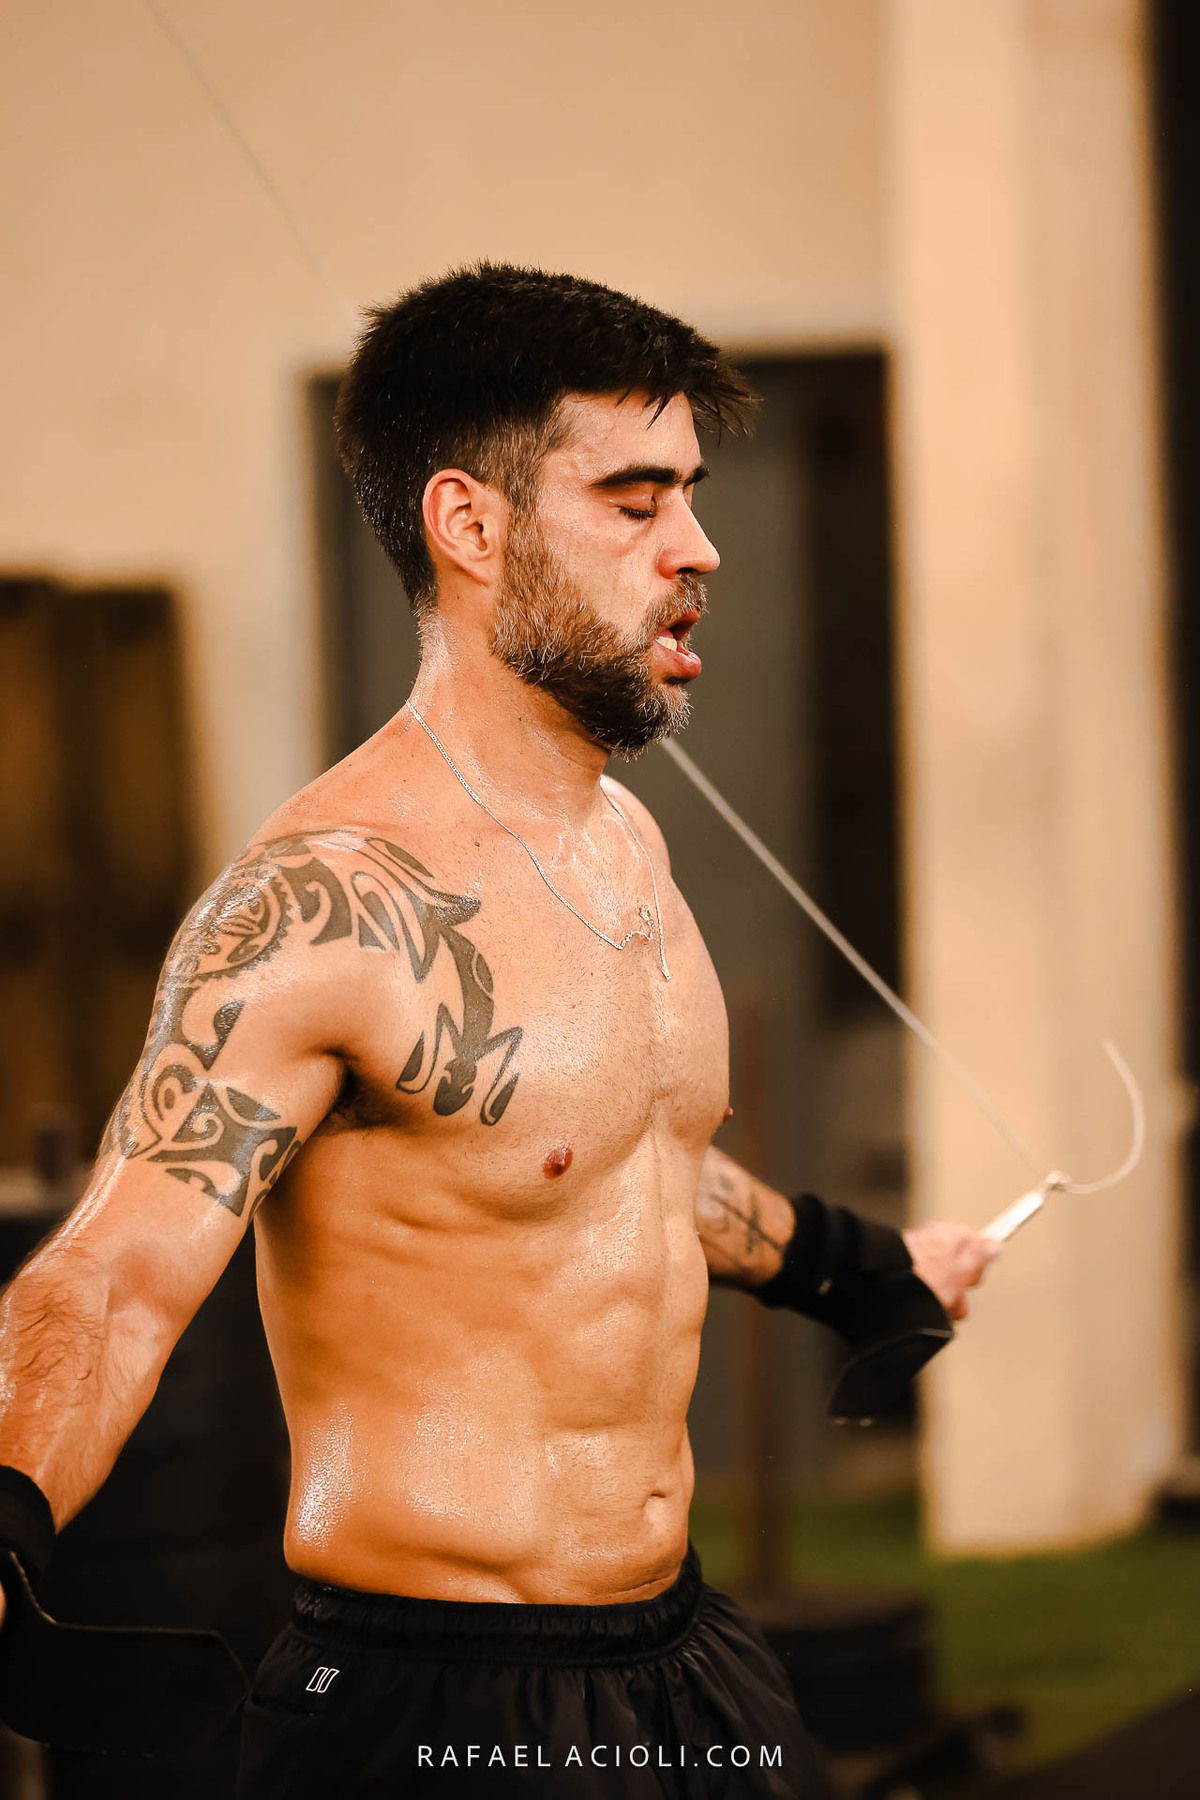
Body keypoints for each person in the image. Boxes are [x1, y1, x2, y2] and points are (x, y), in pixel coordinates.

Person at [0, 264, 997, 1796]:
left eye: (693, 497)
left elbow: (626, 1167)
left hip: (680, 1654)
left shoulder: (627, 847)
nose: (697, 547)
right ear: (471, 526)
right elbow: (118, 1273)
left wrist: (858, 1267)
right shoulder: (325, 904)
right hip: (427, 1698)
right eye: (635, 501)